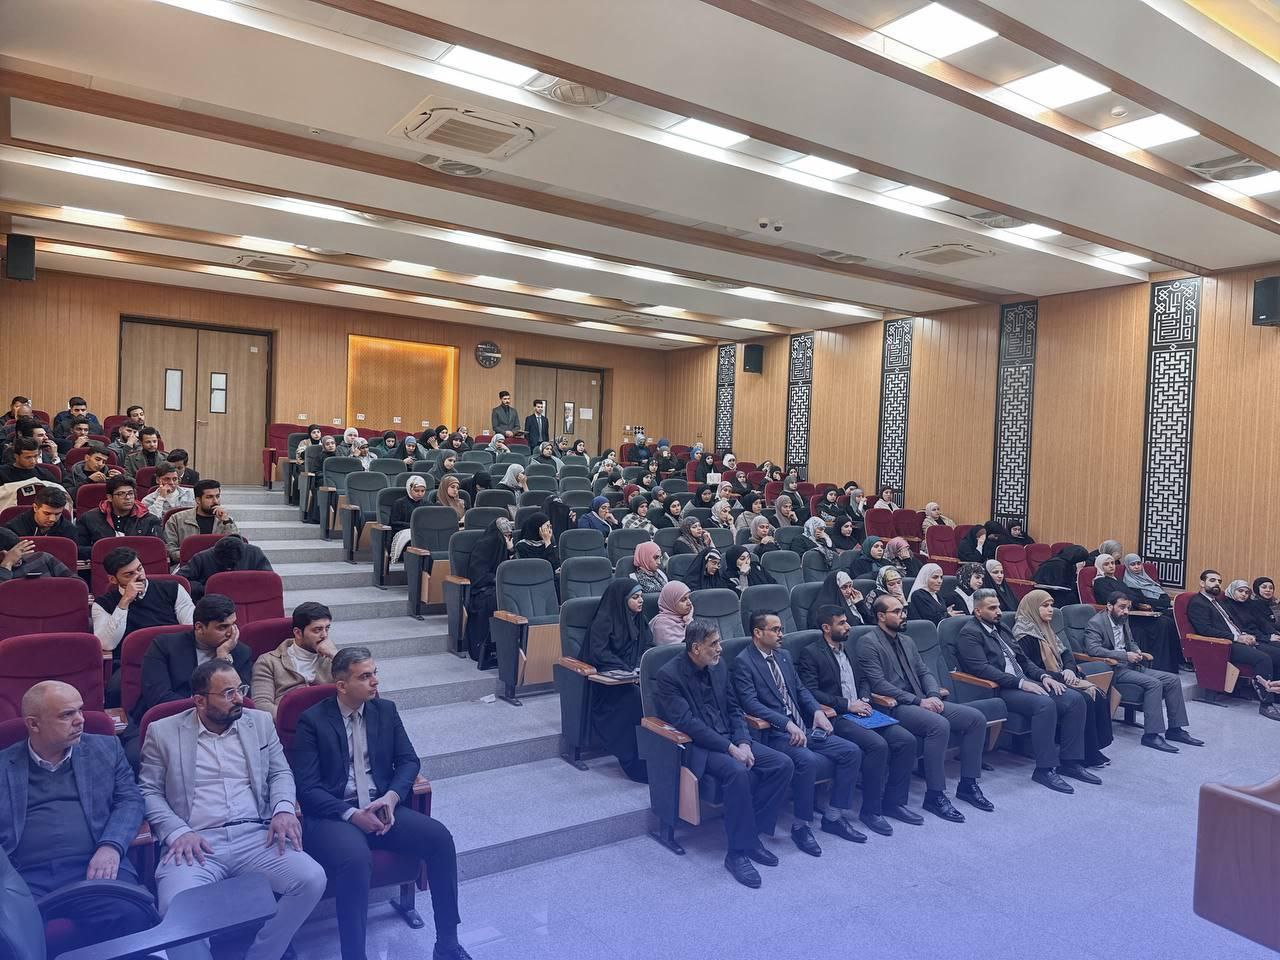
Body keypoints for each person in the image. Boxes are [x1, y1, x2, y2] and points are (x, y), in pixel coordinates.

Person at [138, 659, 327, 960]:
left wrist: (283, 809)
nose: (239, 698)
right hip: (195, 842)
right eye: (228, 693)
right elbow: (148, 791)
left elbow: (280, 772)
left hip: (256, 836)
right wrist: (177, 832)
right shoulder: (163, 732)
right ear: (200, 700)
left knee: (312, 878)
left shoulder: (259, 722)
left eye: (241, 689)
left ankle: (263, 955)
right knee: (176, 908)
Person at [289, 648, 469, 960]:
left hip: (381, 804)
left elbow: (409, 761)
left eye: (375, 673)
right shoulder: (312, 721)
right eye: (365, 676)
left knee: (439, 838)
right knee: (356, 860)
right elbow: (307, 788)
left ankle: (448, 945)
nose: (375, 681)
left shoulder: (385, 710)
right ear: (341, 685)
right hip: (335, 813)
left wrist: (391, 797)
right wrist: (351, 814)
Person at [0, 681, 153, 953]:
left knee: (132, 914)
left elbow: (130, 800)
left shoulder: (106, 749)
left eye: (80, 710)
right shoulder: (4, 766)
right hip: (24, 877)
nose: (80, 720)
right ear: (33, 724)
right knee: (8, 936)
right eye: (67, 714)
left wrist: (111, 846)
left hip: (94, 866)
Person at [653, 620, 794, 888]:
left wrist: (743, 742)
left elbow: (734, 709)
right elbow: (687, 724)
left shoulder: (719, 666)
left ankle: (751, 836)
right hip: (699, 746)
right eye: (714, 644)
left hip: (732, 738)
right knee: (737, 772)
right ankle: (736, 853)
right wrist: (730, 749)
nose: (720, 648)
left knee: (782, 764)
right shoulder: (669, 675)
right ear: (696, 648)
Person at [732, 612, 867, 855]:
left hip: (803, 726)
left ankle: (833, 817)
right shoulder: (744, 662)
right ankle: (800, 826)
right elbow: (751, 704)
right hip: (773, 733)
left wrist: (816, 711)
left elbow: (801, 690)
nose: (781, 634)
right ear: (758, 633)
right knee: (806, 760)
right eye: (775, 630)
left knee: (851, 751)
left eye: (781, 629)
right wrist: (786, 724)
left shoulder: (783, 656)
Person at [857, 595, 991, 822]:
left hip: (922, 699)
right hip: (895, 705)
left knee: (975, 718)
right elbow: (878, 684)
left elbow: (924, 672)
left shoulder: (907, 641)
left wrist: (933, 695)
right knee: (939, 725)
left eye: (903, 610)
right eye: (896, 612)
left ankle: (968, 784)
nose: (903, 615)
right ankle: (935, 795)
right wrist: (919, 701)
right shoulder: (868, 642)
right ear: (881, 616)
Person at [955, 589, 1096, 793]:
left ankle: (1070, 762)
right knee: (1044, 704)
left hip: (1023, 680)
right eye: (992, 608)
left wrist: (1043, 676)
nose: (998, 612)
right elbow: (982, 669)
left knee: (1074, 699)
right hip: (999, 688)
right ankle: (1044, 769)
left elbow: (1023, 660)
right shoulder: (970, 633)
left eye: (998, 607)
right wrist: (1021, 683)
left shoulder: (1002, 627)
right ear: (978, 611)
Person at [798, 607, 922, 832]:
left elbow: (863, 679)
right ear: (826, 628)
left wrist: (863, 699)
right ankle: (871, 811)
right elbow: (811, 691)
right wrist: (848, 705)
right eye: (842, 623)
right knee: (877, 745)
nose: (848, 626)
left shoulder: (850, 649)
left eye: (847, 621)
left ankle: (894, 803)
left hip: (861, 710)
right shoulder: (811, 653)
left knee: (906, 740)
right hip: (836, 715)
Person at [1085, 593, 1206, 748]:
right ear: (1109, 606)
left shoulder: (1122, 618)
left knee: (1173, 680)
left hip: (1131, 665)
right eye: (1122, 607)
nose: (1126, 611)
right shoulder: (1096, 623)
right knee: (1154, 683)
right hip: (1114, 668)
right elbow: (1093, 649)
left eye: (1128, 607)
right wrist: (1124, 656)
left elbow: (1130, 641)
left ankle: (1175, 730)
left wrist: (1137, 650)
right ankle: (1151, 735)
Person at [1014, 590, 1113, 767]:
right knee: (1085, 698)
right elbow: (1028, 668)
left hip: (1059, 675)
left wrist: (1069, 669)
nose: (1050, 609)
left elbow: (1066, 653)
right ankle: (1085, 754)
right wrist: (1061, 675)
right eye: (1045, 606)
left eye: (1051, 605)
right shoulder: (1023, 634)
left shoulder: (1045, 627)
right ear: (1032, 608)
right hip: (1041, 681)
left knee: (1098, 694)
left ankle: (1092, 749)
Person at [134, 593, 252, 726]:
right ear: (199, 627)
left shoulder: (241, 652)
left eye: (233, 624)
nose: (231, 633)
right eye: (222, 627)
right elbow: (159, 699)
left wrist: (222, 659)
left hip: (222, 725)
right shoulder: (164, 647)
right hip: (168, 722)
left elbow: (241, 699)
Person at [582, 581, 652, 781]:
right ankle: (634, 761)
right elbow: (599, 654)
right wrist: (627, 669)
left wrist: (639, 666)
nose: (641, 601)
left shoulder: (640, 619)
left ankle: (657, 756)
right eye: (635, 597)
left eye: (641, 596)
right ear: (622, 600)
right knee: (635, 699)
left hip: (634, 676)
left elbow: (648, 646)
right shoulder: (604, 621)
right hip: (607, 685)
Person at [1187, 570, 1280, 720]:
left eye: (1219, 581)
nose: (1217, 584)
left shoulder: (1217, 602)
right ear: (1202, 583)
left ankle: (1276, 695)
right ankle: (1266, 704)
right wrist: (1237, 637)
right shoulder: (1198, 603)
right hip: (1223, 645)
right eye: (1212, 580)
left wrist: (1246, 635)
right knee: (1263, 659)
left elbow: (1234, 624)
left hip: (1239, 638)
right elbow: (1205, 630)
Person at [92, 546, 195, 678]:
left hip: (174, 659)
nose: (139, 576)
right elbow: (107, 643)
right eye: (129, 574)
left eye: (139, 569)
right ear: (113, 579)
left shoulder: (173, 589)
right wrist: (124, 601)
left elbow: (191, 628)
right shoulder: (102, 604)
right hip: (131, 665)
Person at [251, 601, 337, 719]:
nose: (325, 635)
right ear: (298, 633)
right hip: (287, 725)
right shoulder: (268, 662)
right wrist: (299, 722)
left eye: (327, 628)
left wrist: (336, 656)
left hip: (328, 722)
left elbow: (354, 691)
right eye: (317, 630)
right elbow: (262, 705)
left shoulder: (333, 659)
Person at [465, 519, 513, 668]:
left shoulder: (505, 545)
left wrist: (511, 550)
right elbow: (478, 576)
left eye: (509, 536)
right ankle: (489, 650)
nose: (507, 539)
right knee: (494, 600)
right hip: (481, 591)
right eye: (505, 536)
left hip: (499, 587)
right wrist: (499, 579)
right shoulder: (484, 546)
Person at [76, 474, 163, 554]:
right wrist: (108, 551)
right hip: (103, 563)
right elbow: (79, 549)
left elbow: (157, 549)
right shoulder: (89, 518)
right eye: (121, 494)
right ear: (109, 497)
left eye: (130, 493)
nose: (128, 498)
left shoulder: (149, 520)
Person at [176, 534, 273, 601]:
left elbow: (269, 581)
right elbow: (180, 580)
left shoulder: (254, 554)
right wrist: (206, 589)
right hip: (212, 604)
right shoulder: (201, 558)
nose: (228, 569)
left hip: (248, 600)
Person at [163, 480, 238, 563]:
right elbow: (171, 550)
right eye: (209, 497)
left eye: (217, 496)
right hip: (188, 564)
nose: (216, 501)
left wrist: (227, 522)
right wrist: (197, 559)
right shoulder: (176, 519)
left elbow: (237, 546)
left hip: (219, 565)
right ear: (198, 500)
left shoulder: (226, 520)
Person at [4, 484, 77, 540]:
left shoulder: (70, 531)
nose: (52, 519)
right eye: (47, 513)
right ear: (35, 508)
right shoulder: (14, 529)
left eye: (57, 514)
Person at [387, 476, 428, 566]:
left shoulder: (427, 504)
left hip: (422, 531)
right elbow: (394, 523)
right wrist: (413, 526)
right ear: (409, 489)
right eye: (417, 491)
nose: (420, 494)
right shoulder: (399, 503)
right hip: (403, 532)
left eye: (422, 491)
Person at [514, 512, 559, 576]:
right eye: (547, 527)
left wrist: (548, 543)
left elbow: (556, 567)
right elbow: (531, 568)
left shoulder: (548, 542)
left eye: (550, 527)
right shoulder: (522, 546)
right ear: (537, 528)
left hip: (550, 577)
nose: (549, 530)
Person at [649, 581, 692, 645]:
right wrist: (689, 622)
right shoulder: (661, 625)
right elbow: (680, 648)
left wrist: (689, 620)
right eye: (683, 600)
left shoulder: (685, 618)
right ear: (671, 602)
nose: (689, 603)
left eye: (689, 598)